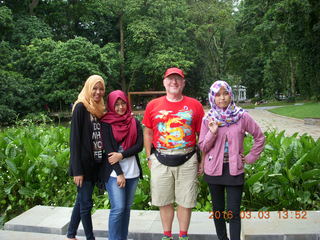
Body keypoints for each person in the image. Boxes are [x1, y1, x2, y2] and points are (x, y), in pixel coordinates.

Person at [142, 67, 204, 240]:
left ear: (183, 83)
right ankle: (167, 235)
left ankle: (183, 235)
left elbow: (202, 135)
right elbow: (147, 132)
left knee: (186, 200)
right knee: (164, 200)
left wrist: (203, 160)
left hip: (187, 158)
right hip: (160, 158)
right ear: (164, 82)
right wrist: (149, 156)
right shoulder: (153, 105)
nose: (174, 82)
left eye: (178, 79)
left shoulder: (195, 105)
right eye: (170, 79)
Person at [198, 81, 265, 240]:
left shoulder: (242, 116)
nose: (222, 98)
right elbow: (203, 146)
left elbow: (260, 138)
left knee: (233, 213)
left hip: (235, 170)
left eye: (225, 93)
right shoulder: (208, 119)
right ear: (212, 97)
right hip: (214, 170)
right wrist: (212, 132)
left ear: (230, 95)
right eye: (218, 94)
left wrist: (249, 158)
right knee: (218, 212)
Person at [66, 75, 112, 240]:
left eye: (101, 89)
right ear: (88, 88)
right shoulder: (80, 107)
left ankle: (71, 234)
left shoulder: (99, 109)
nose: (98, 92)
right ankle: (90, 237)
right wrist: (77, 170)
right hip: (83, 167)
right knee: (86, 204)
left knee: (81, 201)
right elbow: (75, 141)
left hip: (96, 164)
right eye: (95, 88)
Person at [100, 90, 144, 240]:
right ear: (111, 106)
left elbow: (139, 146)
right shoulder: (105, 123)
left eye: (123, 103)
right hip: (114, 174)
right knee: (118, 208)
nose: (120, 107)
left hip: (132, 172)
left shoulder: (134, 122)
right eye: (116, 104)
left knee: (126, 209)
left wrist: (122, 155)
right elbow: (109, 151)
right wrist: (119, 174)